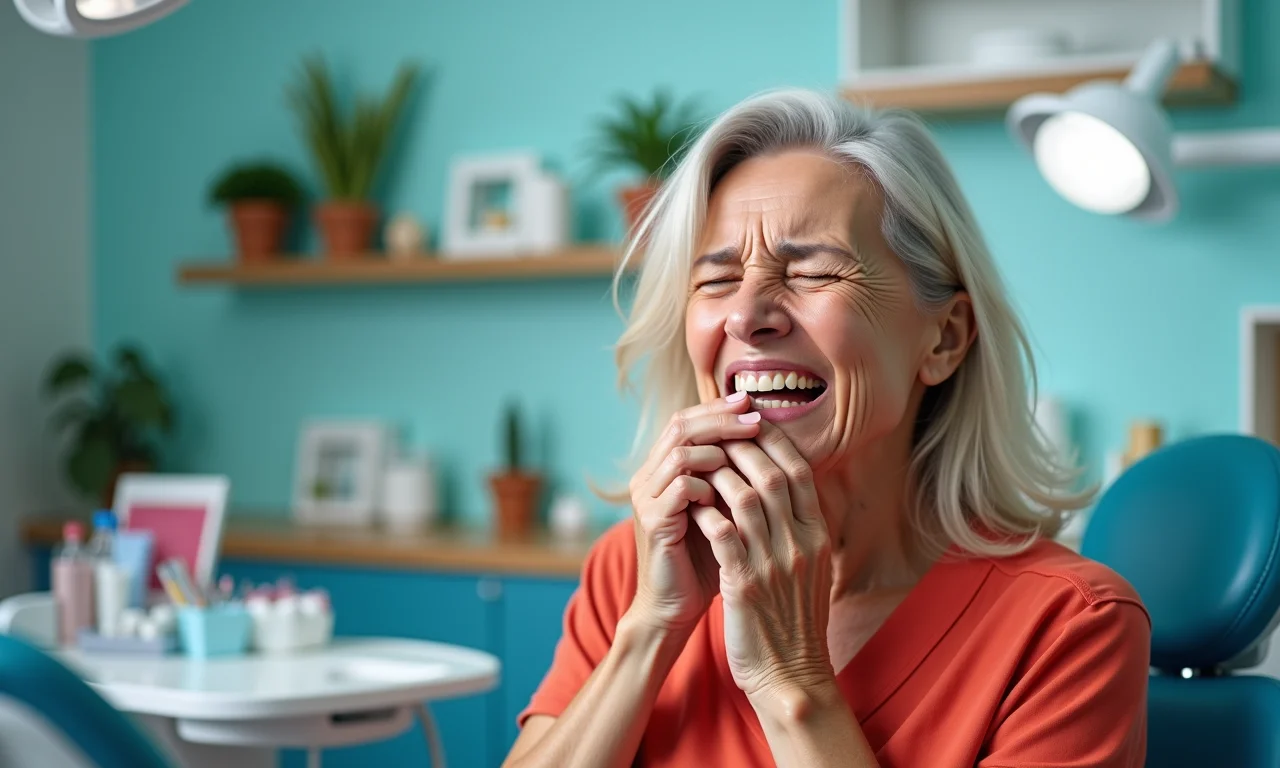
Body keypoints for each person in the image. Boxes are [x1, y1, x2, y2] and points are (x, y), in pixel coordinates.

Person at [504, 89, 1150, 768]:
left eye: (813, 271)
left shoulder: (1072, 627)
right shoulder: (635, 567)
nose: (747, 315)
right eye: (716, 281)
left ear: (944, 340)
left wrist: (794, 684)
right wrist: (650, 631)